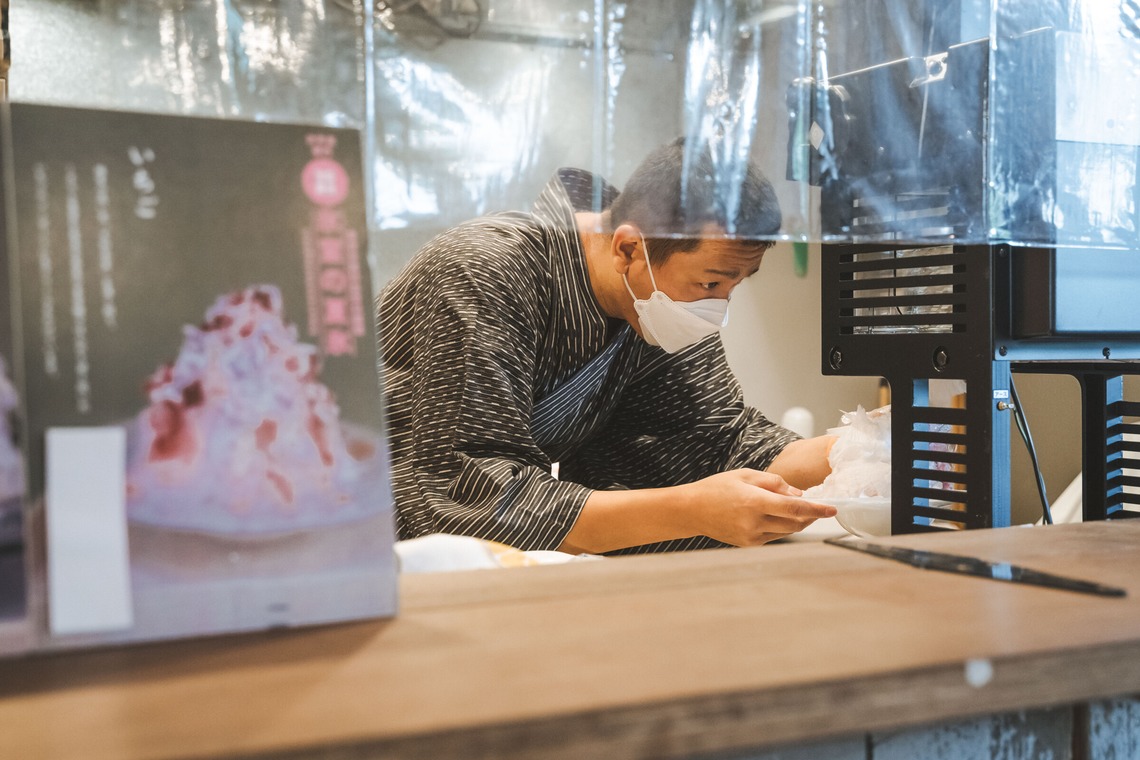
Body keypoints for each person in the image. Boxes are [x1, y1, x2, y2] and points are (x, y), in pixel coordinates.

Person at [377, 137, 836, 555]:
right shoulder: (484, 270)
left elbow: (719, 445)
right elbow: (466, 490)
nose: (717, 306)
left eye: (733, 286)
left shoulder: (653, 308)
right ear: (628, 249)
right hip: (355, 536)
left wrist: (855, 450)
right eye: (711, 281)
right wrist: (691, 510)